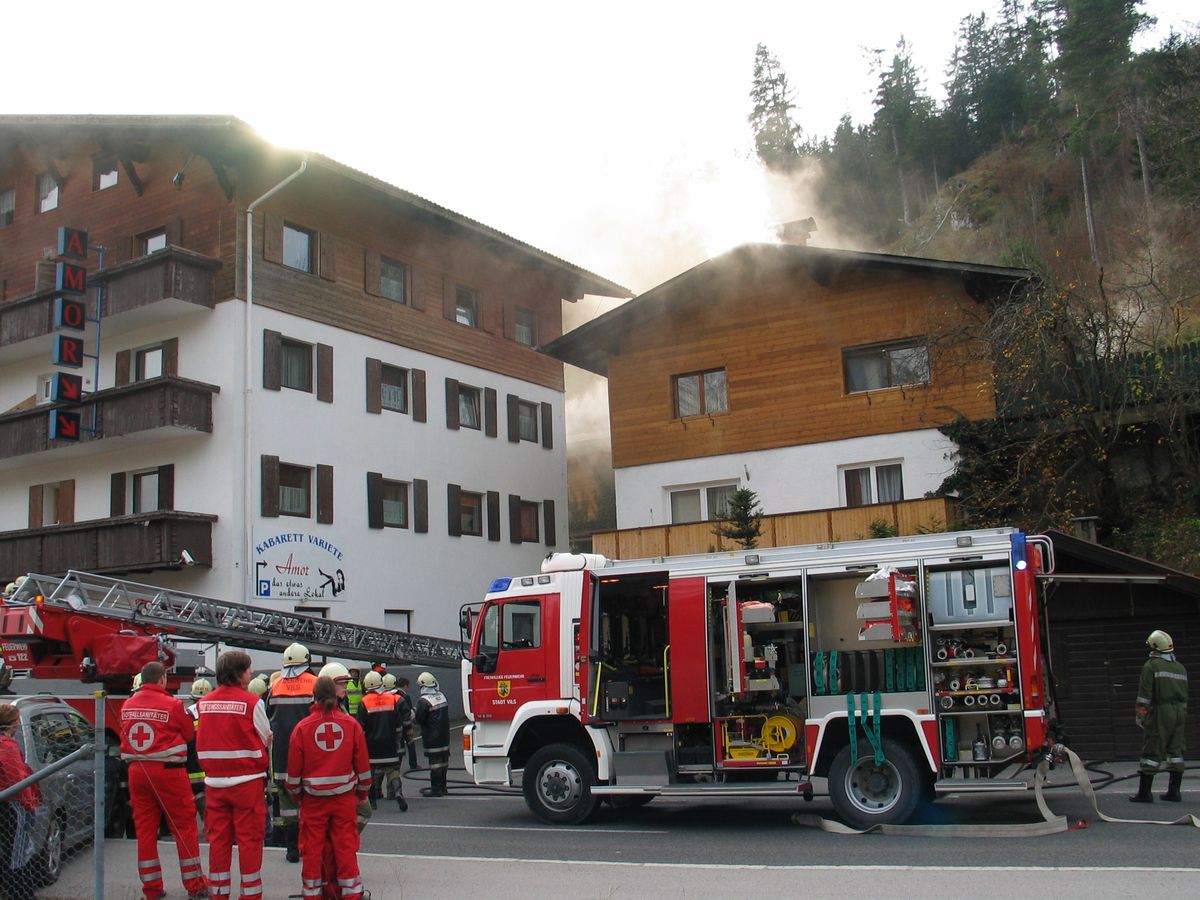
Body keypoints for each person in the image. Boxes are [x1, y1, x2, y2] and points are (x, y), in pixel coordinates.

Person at [119, 661, 208, 900]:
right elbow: (189, 735)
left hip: (137, 771)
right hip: (169, 772)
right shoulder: (172, 704)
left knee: (146, 831)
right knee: (184, 827)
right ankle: (196, 886)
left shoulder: (127, 705)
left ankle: (152, 889)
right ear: (161, 680)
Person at [286, 676, 371, 900]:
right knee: (345, 846)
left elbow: (293, 773)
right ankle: (351, 893)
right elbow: (363, 767)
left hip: (313, 801)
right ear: (335, 697)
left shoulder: (302, 728)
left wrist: (297, 796)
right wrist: (361, 793)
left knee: (312, 849)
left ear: (313, 697)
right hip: (344, 799)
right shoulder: (350, 725)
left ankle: (313, 893)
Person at [196, 650, 271, 900]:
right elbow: (265, 736)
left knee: (218, 842)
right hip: (247, 783)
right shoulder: (253, 702)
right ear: (239, 673)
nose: (251, 674)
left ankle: (218, 894)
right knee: (250, 842)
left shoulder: (203, 703)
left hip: (214, 785)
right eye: (249, 670)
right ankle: (250, 895)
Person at [267, 643, 317, 863]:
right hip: (310, 757)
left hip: (281, 757)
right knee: (311, 804)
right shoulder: (316, 684)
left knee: (287, 807)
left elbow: (269, 720)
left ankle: (292, 849)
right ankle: (312, 849)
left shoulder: (275, 686)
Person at [1130, 629, 1189, 803]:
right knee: (1176, 750)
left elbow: (1144, 695)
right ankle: (1174, 792)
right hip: (1180, 712)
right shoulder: (1180, 667)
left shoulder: (1151, 666)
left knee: (1152, 749)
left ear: (1155, 647)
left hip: (1161, 712)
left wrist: (1141, 715)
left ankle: (1145, 793)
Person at [0, 704, 41, 900]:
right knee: (17, 855)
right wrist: (29, 805)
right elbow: (17, 779)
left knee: (16, 851)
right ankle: (21, 894)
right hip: (13, 807)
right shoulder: (6, 745)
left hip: (8, 805)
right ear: (13, 722)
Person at [357, 671, 408, 812]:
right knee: (393, 771)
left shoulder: (364, 702)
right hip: (389, 743)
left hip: (371, 745)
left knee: (371, 774)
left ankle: (372, 802)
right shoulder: (391, 699)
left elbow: (360, 727)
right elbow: (399, 723)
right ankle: (398, 793)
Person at [414, 672, 450, 797]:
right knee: (444, 763)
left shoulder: (424, 701)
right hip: (444, 737)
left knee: (435, 765)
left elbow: (419, 719)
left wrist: (414, 714)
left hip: (432, 738)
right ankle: (443, 787)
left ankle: (436, 789)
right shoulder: (442, 696)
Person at [185, 678, 214, 819]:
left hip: (193, 768)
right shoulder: (214, 711)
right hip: (211, 766)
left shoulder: (188, 713)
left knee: (198, 797)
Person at [394, 677, 419, 770]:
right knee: (410, 744)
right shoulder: (405, 697)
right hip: (405, 724)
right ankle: (413, 764)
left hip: (396, 725)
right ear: (405, 685)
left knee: (398, 745)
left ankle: (396, 765)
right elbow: (408, 712)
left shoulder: (393, 695)